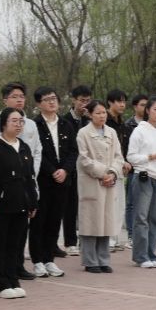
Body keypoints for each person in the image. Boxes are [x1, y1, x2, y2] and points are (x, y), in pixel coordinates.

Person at [0, 82, 42, 280]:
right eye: (14, 96)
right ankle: (1, 278)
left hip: (24, 189)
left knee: (18, 236)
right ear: (5, 100)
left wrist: (30, 178)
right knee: (2, 238)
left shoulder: (31, 126)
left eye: (22, 96)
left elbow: (37, 152)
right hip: (5, 194)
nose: (19, 99)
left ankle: (16, 270)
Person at [0, 108, 37, 298]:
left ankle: (13, 280)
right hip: (0, 206)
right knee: (0, 243)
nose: (18, 124)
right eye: (14, 121)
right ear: (3, 123)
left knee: (15, 245)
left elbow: (30, 177)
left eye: (21, 121)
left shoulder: (24, 147)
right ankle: (0, 284)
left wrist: (33, 202)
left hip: (21, 204)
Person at [76, 100, 125, 273]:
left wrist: (112, 173)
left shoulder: (112, 132)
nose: (102, 116)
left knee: (106, 221)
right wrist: (103, 173)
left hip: (109, 182)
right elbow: (84, 159)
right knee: (91, 222)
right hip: (92, 182)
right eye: (97, 113)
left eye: (104, 112)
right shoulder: (83, 133)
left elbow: (119, 156)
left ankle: (103, 259)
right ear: (90, 114)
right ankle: (90, 261)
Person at [31, 86, 76, 278]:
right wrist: (52, 171)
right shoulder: (35, 125)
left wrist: (65, 170)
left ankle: (49, 259)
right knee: (39, 221)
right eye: (47, 99)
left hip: (63, 181)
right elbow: (36, 152)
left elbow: (73, 151)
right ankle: (37, 261)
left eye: (54, 98)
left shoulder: (66, 124)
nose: (52, 102)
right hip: (43, 180)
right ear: (38, 104)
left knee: (55, 221)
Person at [127, 97, 156, 268]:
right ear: (148, 111)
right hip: (144, 176)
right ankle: (141, 256)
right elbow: (131, 157)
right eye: (155, 109)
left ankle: (152, 253)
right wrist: (149, 157)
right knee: (141, 217)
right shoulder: (139, 131)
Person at [60, 85, 92, 256]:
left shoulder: (90, 120)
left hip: (88, 169)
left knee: (87, 206)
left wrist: (91, 119)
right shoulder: (65, 120)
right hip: (71, 168)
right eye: (82, 100)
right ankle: (70, 242)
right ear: (74, 100)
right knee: (70, 207)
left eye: (88, 101)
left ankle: (86, 240)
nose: (85, 104)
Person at [105, 89, 133, 251]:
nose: (122, 104)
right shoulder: (106, 123)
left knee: (119, 205)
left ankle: (114, 238)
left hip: (121, 169)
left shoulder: (122, 124)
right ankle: (108, 239)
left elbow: (123, 148)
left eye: (124, 101)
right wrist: (120, 163)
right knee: (109, 205)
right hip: (109, 170)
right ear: (110, 102)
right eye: (119, 101)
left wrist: (126, 162)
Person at [121, 93, 148, 246]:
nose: (145, 108)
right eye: (142, 105)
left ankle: (145, 235)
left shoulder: (152, 125)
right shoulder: (128, 125)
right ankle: (131, 235)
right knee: (131, 203)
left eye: (147, 105)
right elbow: (125, 147)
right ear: (135, 107)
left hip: (149, 169)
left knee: (146, 204)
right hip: (133, 170)